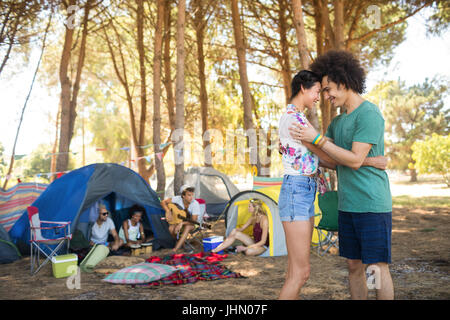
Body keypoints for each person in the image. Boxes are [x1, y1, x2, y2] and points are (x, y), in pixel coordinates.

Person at [277, 70, 389, 300]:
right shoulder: (336, 122)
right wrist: (296, 149)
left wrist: (316, 141)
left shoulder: (369, 114)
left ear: (344, 82)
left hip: (370, 203)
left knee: (375, 268)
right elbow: (328, 157)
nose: (325, 96)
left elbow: (350, 157)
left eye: (327, 89)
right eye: (321, 90)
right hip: (346, 205)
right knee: (354, 266)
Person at [160, 185, 201, 252]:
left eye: (192, 195)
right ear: (183, 196)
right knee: (171, 228)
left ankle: (175, 249)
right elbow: (163, 202)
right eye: (189, 195)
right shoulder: (177, 199)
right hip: (180, 221)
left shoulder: (195, 204)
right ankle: (182, 244)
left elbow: (194, 220)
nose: (192, 197)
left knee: (187, 227)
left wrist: (182, 223)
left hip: (193, 223)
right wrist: (168, 211)